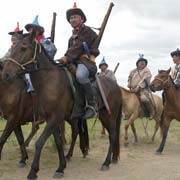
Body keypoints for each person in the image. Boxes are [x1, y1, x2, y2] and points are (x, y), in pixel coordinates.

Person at [58, 2, 100, 119]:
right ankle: (75, 106)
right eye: (70, 18)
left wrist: (66, 57)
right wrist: (65, 59)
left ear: (81, 19)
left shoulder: (87, 31)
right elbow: (70, 51)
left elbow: (79, 46)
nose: (72, 20)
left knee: (81, 76)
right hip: (73, 62)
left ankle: (92, 104)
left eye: (74, 17)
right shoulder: (71, 38)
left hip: (86, 62)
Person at [24, 15, 57, 92]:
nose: (30, 32)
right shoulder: (30, 44)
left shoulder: (44, 41)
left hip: (44, 68)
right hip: (32, 67)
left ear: (38, 31)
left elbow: (52, 51)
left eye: (32, 30)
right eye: (29, 30)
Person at [127, 54, 155, 119]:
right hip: (133, 90)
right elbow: (129, 78)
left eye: (143, 62)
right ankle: (127, 113)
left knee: (144, 99)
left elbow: (145, 78)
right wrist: (129, 83)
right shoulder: (133, 71)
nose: (142, 62)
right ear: (137, 63)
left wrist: (139, 87)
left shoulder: (146, 70)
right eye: (140, 61)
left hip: (143, 89)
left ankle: (151, 111)